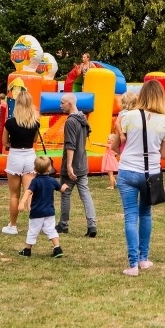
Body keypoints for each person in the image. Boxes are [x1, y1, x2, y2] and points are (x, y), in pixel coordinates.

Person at [111, 80, 165, 276]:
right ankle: (144, 258)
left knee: (130, 216)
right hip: (150, 173)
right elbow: (163, 154)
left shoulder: (129, 116)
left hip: (128, 170)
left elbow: (119, 143)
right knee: (145, 214)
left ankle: (133, 264)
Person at [1, 90, 41, 235]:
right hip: (30, 156)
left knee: (14, 195)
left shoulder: (10, 123)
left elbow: (5, 142)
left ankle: (12, 226)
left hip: (15, 156)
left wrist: (14, 143)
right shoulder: (35, 123)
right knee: (29, 192)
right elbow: (35, 141)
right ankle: (34, 226)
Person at [57, 93, 97, 238]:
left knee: (65, 193)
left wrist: (68, 165)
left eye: (62, 103)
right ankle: (92, 225)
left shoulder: (70, 122)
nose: (60, 105)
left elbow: (70, 145)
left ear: (70, 104)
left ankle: (63, 224)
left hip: (73, 164)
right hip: (82, 163)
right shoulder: (83, 119)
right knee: (85, 194)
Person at [17, 156, 69, 258]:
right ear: (49, 168)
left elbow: (28, 192)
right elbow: (61, 189)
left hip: (36, 212)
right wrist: (64, 187)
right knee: (51, 230)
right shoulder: (52, 181)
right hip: (49, 212)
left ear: (35, 169)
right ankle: (57, 248)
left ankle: (27, 250)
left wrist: (22, 202)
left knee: (33, 231)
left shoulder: (35, 181)